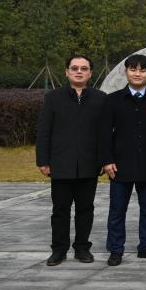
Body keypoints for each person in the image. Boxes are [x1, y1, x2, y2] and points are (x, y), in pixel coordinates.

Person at [36, 54, 107, 266]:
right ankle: (59, 250)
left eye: (83, 68)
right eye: (74, 68)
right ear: (67, 72)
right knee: (60, 210)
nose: (79, 71)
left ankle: (82, 248)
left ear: (90, 73)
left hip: (89, 164)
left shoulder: (101, 98)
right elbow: (44, 131)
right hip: (60, 164)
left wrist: (104, 160)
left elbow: (105, 134)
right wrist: (42, 160)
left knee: (85, 209)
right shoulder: (53, 98)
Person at [98, 54, 146, 266]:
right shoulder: (112, 100)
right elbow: (104, 134)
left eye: (142, 70)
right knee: (117, 210)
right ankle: (116, 249)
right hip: (119, 165)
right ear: (126, 72)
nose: (137, 74)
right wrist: (106, 161)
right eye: (133, 69)